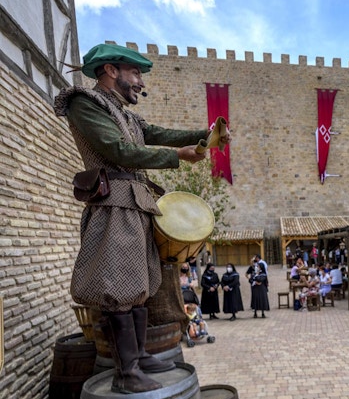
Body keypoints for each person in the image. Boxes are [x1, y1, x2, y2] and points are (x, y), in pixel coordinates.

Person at [54, 43, 230, 393]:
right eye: (134, 73)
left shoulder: (128, 114)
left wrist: (205, 137)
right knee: (118, 287)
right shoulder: (84, 103)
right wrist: (175, 157)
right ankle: (127, 370)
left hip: (137, 203)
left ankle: (139, 356)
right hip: (113, 205)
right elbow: (118, 151)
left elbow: (159, 135)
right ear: (110, 70)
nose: (139, 82)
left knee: (141, 283)